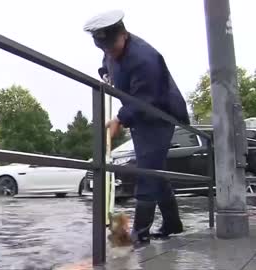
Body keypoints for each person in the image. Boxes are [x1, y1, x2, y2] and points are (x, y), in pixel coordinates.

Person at [84, 10, 190, 246]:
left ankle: (139, 233)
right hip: (141, 114)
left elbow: (145, 99)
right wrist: (105, 72)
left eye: (112, 47)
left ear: (124, 34)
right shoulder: (111, 49)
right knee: (155, 170)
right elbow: (108, 60)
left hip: (160, 115)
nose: (109, 52)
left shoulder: (145, 58)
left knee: (146, 171)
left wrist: (119, 120)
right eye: (104, 49)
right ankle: (173, 223)